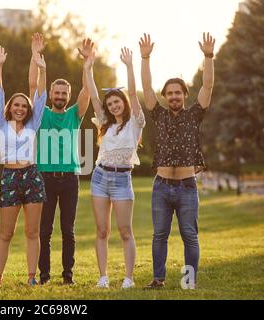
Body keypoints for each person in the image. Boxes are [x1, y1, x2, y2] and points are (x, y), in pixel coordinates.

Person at [139, 33, 215, 289]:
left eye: (177, 93)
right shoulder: (158, 115)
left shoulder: (194, 115)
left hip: (186, 186)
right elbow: (147, 89)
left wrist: (208, 57)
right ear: (165, 96)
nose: (173, 96)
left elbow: (208, 87)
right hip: (161, 186)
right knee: (159, 235)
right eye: (169, 93)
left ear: (184, 94)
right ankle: (158, 279)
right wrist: (145, 58)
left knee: (189, 236)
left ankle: (188, 281)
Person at [31, 36, 92, 285]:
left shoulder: (74, 115)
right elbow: (37, 90)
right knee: (44, 232)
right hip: (44, 177)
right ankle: (44, 276)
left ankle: (68, 276)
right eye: (56, 92)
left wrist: (87, 64)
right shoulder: (42, 114)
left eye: (63, 93)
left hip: (69, 178)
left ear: (68, 95)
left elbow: (87, 91)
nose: (59, 95)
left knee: (68, 230)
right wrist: (40, 65)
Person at [85, 47, 145, 289]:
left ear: (124, 102)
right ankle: (103, 277)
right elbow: (91, 94)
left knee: (125, 231)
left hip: (122, 180)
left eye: (116, 101)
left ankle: (128, 279)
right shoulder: (105, 123)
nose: (113, 105)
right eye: (109, 103)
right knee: (102, 230)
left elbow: (132, 91)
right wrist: (88, 67)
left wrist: (130, 66)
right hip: (100, 177)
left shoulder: (135, 123)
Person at [0, 42, 47, 286]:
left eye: (24, 106)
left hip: (31, 177)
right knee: (6, 233)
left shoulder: (33, 125)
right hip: (10, 178)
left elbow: (41, 95)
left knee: (32, 232)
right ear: (10, 108)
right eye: (17, 105)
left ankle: (32, 278)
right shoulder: (0, 124)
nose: (21, 108)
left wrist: (41, 68)